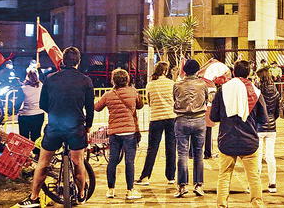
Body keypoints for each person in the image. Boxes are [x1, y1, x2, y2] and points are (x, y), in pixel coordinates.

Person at [18, 47, 94, 208]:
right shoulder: (86, 80)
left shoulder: (50, 79)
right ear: (78, 62)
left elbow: (43, 104)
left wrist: (56, 113)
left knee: (43, 162)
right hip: (76, 127)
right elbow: (90, 108)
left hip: (55, 127)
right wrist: (88, 126)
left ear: (62, 61)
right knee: (78, 161)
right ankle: (81, 195)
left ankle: (33, 197)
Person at [210, 60, 268, 208]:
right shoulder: (256, 92)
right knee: (253, 177)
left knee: (224, 175)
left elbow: (214, 117)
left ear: (234, 72)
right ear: (249, 73)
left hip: (226, 140)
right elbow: (264, 119)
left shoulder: (222, 90)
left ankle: (222, 205)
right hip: (249, 141)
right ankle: (257, 205)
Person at [95, 68, 144, 199]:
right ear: (127, 80)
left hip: (114, 132)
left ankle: (110, 190)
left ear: (113, 80)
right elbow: (140, 106)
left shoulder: (108, 94)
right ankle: (130, 190)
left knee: (112, 161)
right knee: (129, 161)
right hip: (130, 132)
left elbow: (97, 108)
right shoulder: (133, 92)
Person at [136, 61, 176, 185]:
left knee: (152, 148)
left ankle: (146, 176)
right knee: (171, 147)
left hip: (156, 118)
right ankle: (171, 177)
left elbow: (149, 101)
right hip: (171, 117)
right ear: (165, 71)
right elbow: (175, 100)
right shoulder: (172, 84)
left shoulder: (150, 85)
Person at [172, 59, 208, 198]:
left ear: (184, 70)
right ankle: (199, 185)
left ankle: (182, 186)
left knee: (182, 154)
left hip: (181, 120)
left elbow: (175, 98)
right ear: (197, 70)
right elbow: (206, 99)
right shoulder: (202, 84)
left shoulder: (177, 84)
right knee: (199, 154)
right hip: (199, 120)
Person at [256, 67, 280, 193]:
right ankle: (272, 184)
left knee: (258, 156)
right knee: (270, 156)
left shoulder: (258, 92)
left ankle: (256, 184)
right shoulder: (276, 92)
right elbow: (277, 112)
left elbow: (255, 110)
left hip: (259, 126)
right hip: (272, 127)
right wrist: (271, 119)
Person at [18, 69, 44, 154]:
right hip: (39, 114)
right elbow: (42, 78)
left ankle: (24, 155)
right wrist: (39, 69)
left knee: (24, 137)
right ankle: (37, 154)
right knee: (36, 136)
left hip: (25, 115)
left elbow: (19, 102)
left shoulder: (23, 89)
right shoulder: (40, 86)